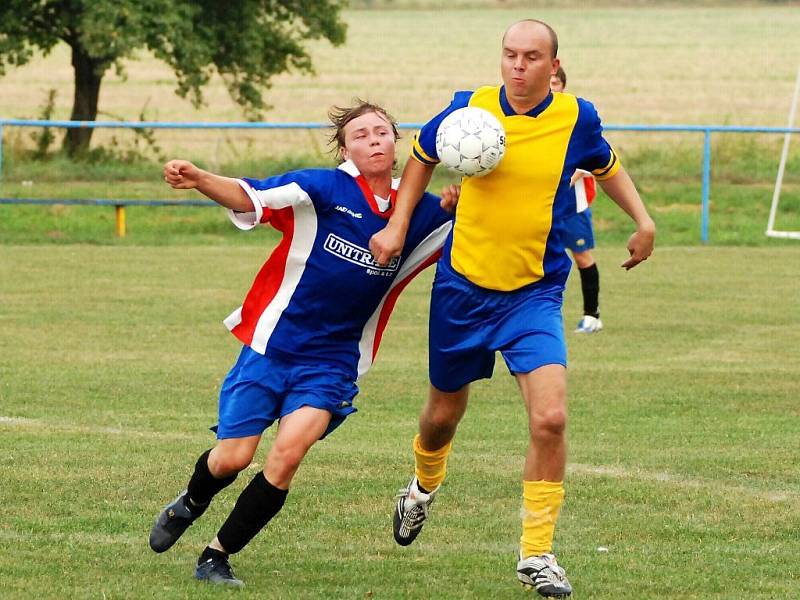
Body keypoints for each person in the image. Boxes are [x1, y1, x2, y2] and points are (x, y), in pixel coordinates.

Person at [369, 19, 655, 598]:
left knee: (550, 418)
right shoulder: (467, 109)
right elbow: (422, 155)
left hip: (534, 292)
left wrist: (643, 220)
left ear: (554, 65)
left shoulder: (577, 116)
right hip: (463, 289)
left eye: (532, 57)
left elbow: (606, 164)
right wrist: (399, 225)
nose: (518, 66)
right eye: (509, 55)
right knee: (441, 417)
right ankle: (422, 489)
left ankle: (537, 554)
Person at [148, 100, 455, 587]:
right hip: (273, 345)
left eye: (381, 131)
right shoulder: (321, 188)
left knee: (287, 454)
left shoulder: (423, 210)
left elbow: (483, 230)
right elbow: (251, 197)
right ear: (345, 147)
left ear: (396, 141)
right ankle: (191, 500)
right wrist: (201, 177)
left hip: (332, 362)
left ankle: (216, 555)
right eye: (361, 134)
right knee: (233, 458)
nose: (373, 139)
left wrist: (469, 197)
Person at [550, 66, 603, 334]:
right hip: (542, 204)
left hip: (573, 204)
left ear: (563, 86)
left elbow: (596, 157)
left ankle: (591, 315)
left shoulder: (575, 118)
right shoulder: (534, 119)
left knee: (581, 256)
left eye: (555, 82)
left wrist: (577, 170)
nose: (551, 86)